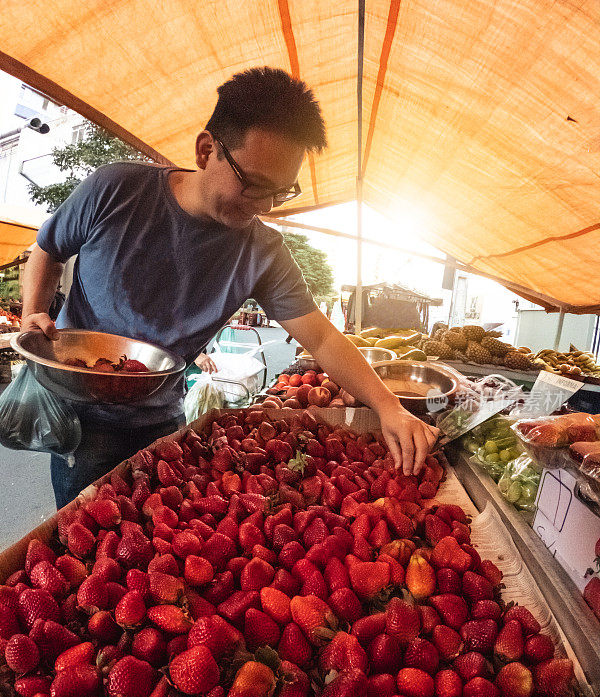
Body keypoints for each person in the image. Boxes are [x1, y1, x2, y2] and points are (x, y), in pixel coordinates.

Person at [20, 66, 438, 508]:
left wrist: (387, 405)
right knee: (87, 544)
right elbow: (46, 250)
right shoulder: (115, 189)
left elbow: (322, 337)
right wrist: (33, 312)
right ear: (206, 150)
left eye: (281, 192)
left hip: (162, 416)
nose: (265, 206)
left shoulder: (263, 251)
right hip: (82, 419)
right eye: (254, 185)